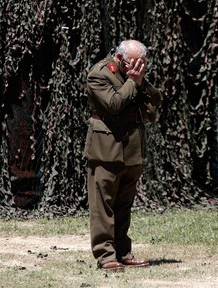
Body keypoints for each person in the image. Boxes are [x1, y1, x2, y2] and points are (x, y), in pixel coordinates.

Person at [83, 39, 162, 271]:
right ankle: (106, 255)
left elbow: (155, 100)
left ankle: (123, 251)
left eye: (143, 64)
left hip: (131, 150)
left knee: (124, 205)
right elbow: (115, 104)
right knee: (103, 205)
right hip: (105, 149)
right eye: (134, 63)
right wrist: (133, 81)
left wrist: (140, 81)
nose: (139, 68)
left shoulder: (135, 76)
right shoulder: (99, 74)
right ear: (119, 59)